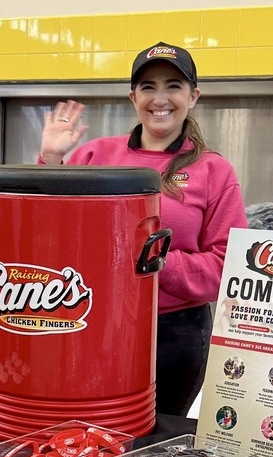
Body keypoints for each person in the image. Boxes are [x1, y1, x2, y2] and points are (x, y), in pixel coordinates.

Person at [37, 41, 247, 416]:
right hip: (92, 322)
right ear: (132, 96)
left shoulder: (214, 170)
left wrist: (159, 261)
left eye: (173, 86)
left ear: (193, 96)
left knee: (156, 439)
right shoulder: (94, 155)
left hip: (175, 333)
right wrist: (52, 160)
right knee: (90, 426)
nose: (159, 98)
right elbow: (49, 231)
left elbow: (228, 266)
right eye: (148, 87)